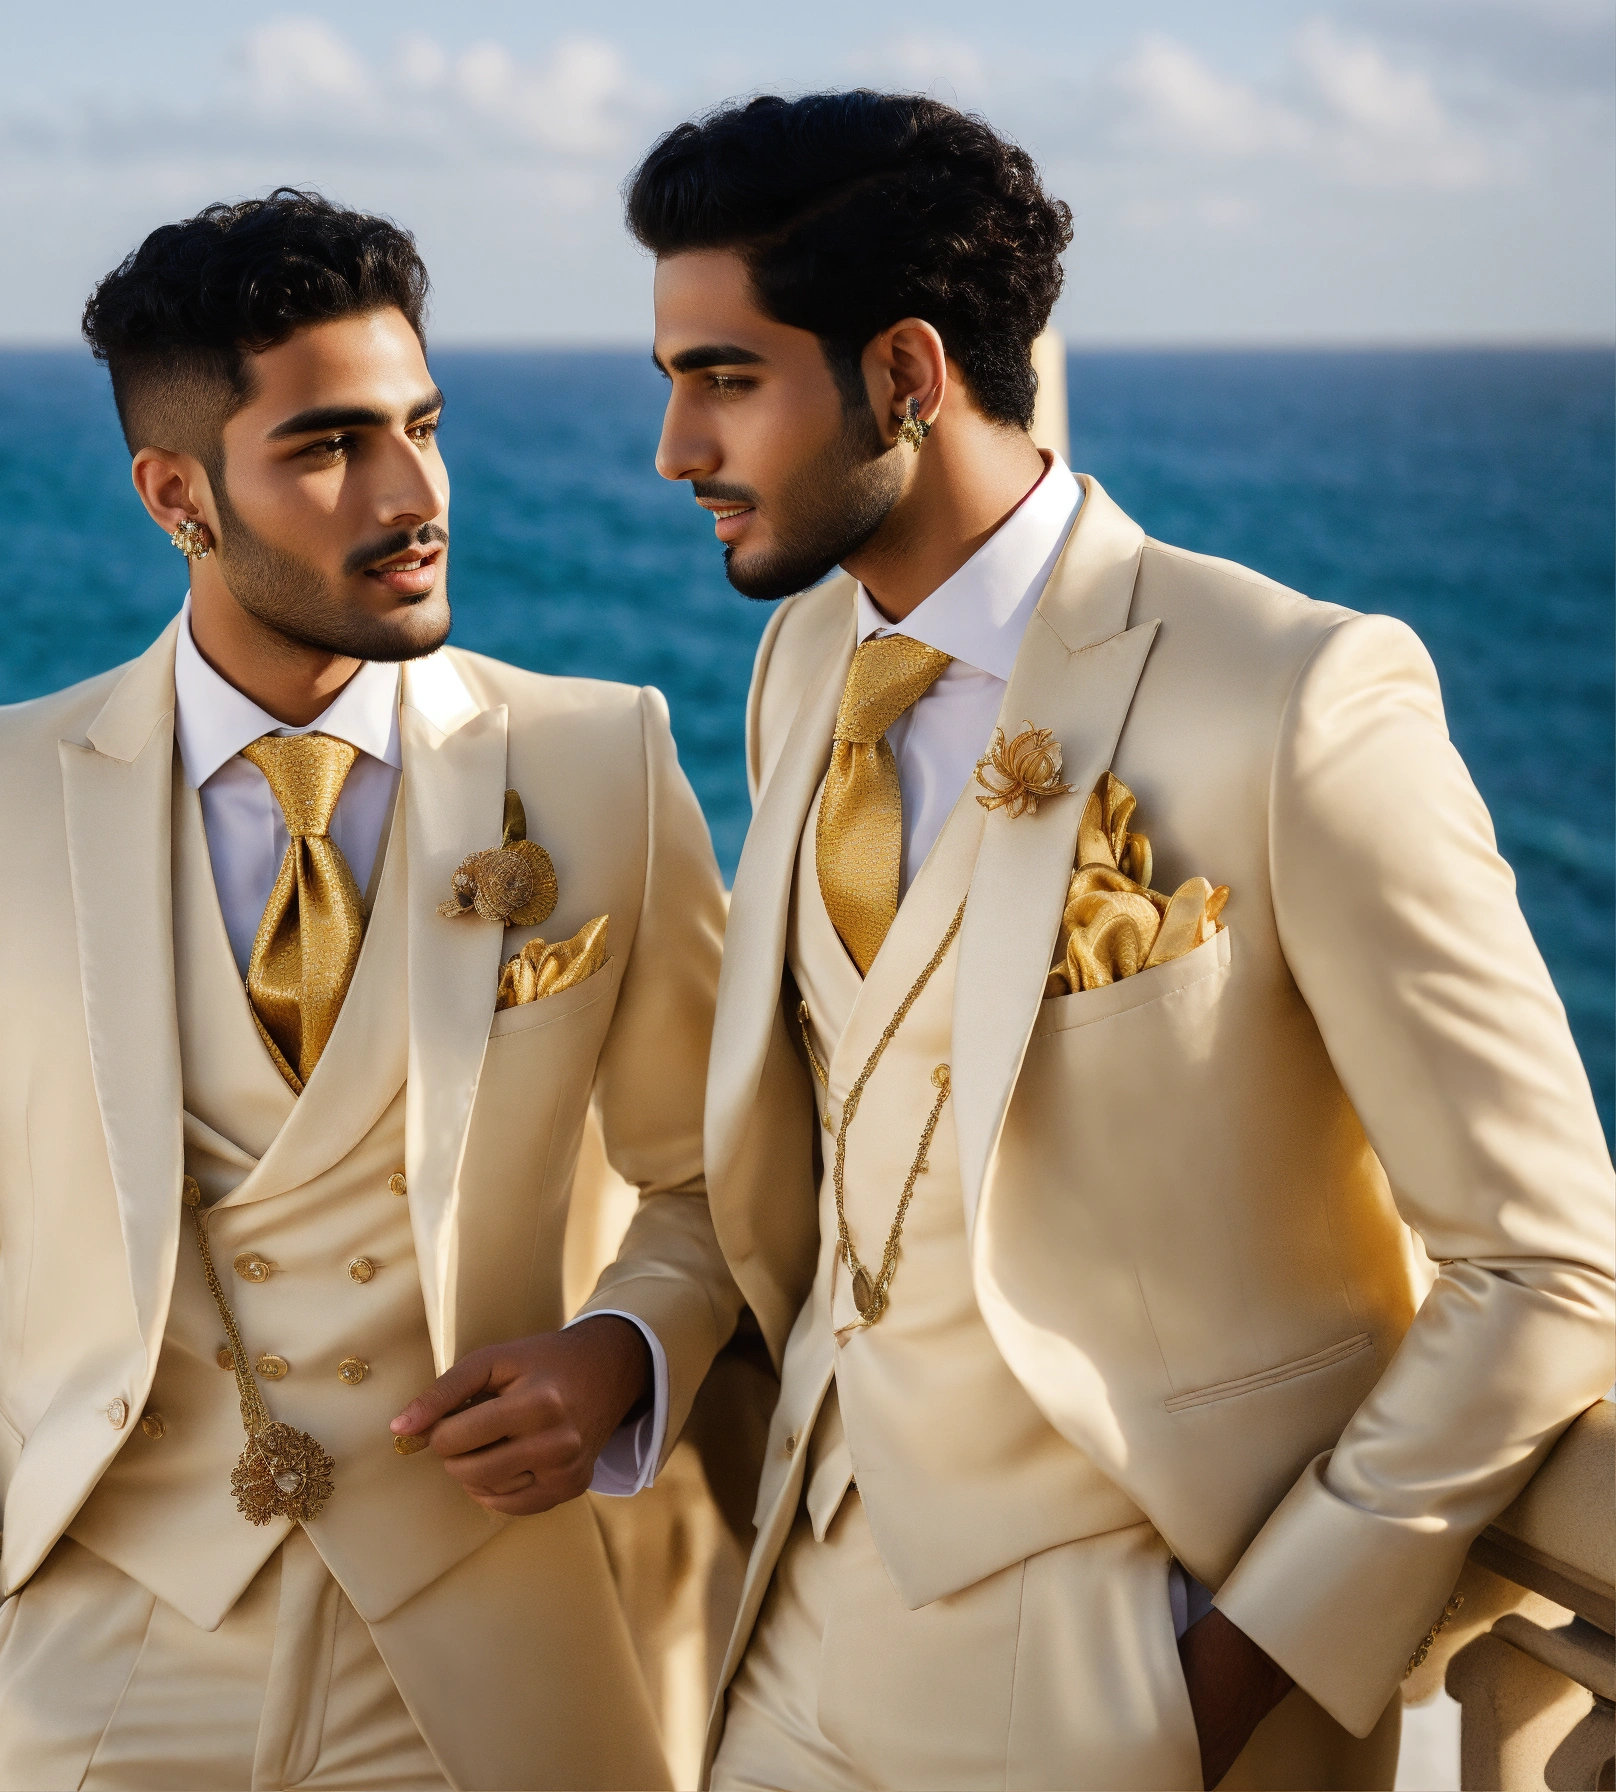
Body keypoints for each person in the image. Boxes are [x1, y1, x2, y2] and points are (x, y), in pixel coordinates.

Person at [629, 91, 1616, 1790]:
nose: (676, 450)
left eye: (725, 378)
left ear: (908, 376)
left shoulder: (1296, 696)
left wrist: (1231, 1672)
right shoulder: (805, 666)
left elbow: (1543, 1259)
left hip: (1123, 1673)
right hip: (791, 1635)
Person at [0, 189, 740, 1791]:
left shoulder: (600, 764)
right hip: (104, 1655)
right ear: (179, 494)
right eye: (328, 448)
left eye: (423, 426)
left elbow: (713, 1177)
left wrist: (622, 1355)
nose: (413, 492)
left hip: (496, 1644)